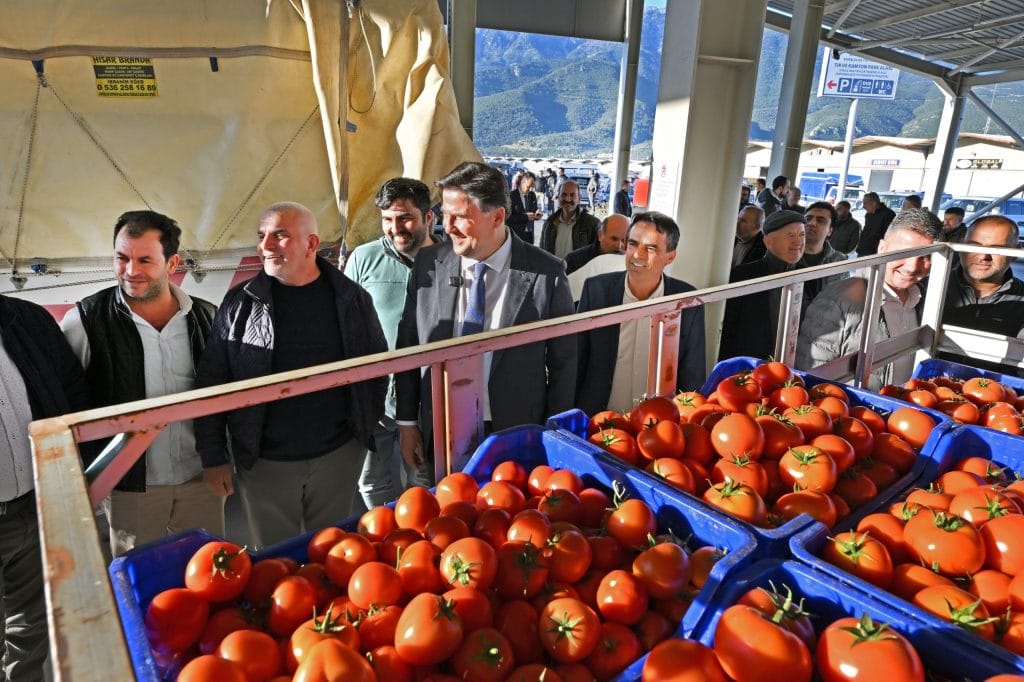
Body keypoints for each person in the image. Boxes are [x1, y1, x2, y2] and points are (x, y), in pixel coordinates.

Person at [195, 202, 387, 548]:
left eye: (280, 236)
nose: (266, 246)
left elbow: (376, 369)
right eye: (262, 236)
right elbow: (213, 380)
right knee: (274, 563)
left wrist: (360, 434)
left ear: (312, 244)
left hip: (338, 456)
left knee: (333, 558)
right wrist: (214, 456)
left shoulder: (351, 298)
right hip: (265, 463)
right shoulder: (240, 303)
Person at [395, 161, 577, 476]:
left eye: (461, 217)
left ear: (497, 217)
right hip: (440, 425)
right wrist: (408, 421)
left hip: (514, 431)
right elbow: (409, 345)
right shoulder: (428, 263)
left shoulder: (546, 273)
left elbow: (564, 362)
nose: (447, 227)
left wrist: (552, 436)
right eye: (444, 215)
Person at [61, 210, 223, 557]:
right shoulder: (85, 320)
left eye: (145, 260)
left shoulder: (207, 317)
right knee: (139, 587)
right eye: (122, 258)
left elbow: (224, 395)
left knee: (210, 579)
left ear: (173, 263)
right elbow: (66, 406)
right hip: (129, 488)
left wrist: (221, 460)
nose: (131, 271)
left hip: (201, 479)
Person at [0, 297, 89, 680]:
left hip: (34, 504)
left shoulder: (26, 319)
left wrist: (76, 473)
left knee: (32, 624)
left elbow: (72, 392)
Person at [344, 178, 437, 509]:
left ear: (429, 218)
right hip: (375, 400)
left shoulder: (449, 261)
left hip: (428, 401)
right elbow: (347, 325)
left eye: (404, 218)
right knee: (371, 481)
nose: (395, 228)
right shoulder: (363, 259)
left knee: (424, 483)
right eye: (387, 219)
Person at [575, 212, 706, 416]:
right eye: (633, 244)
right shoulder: (596, 290)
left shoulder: (687, 301)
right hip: (598, 419)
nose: (637, 254)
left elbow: (692, 373)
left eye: (651, 248)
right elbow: (578, 358)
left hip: (659, 427)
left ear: (670, 257)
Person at [797, 208, 942, 388]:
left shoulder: (929, 301)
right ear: (882, 248)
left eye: (925, 257)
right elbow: (811, 374)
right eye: (904, 253)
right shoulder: (840, 298)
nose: (913, 266)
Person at [719, 210, 806, 362]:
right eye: (791, 235)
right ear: (768, 241)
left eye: (802, 234)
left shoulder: (810, 276)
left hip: (795, 365)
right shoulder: (744, 276)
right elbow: (728, 330)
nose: (798, 241)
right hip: (749, 367)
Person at [942, 215, 1024, 372]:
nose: (983, 256)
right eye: (975, 246)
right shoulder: (929, 289)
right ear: (961, 247)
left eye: (997, 249)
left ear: (1015, 253)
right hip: (926, 389)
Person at [802, 201, 849, 303]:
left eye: (820, 220)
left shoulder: (839, 262)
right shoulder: (786, 254)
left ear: (830, 231)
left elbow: (840, 301)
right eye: (808, 219)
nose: (811, 223)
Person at [540, 180, 600, 259]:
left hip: (580, 271)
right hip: (553, 271)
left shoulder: (592, 224)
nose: (568, 199)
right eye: (564, 194)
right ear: (558, 197)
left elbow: (597, 257)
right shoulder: (549, 223)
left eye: (572, 195)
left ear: (579, 198)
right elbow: (541, 253)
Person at [855, 192, 896, 256]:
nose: (863, 206)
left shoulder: (888, 214)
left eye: (865, 203)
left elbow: (888, 235)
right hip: (863, 250)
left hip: (875, 253)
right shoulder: (868, 215)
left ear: (874, 203)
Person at [508, 171, 542, 244]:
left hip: (529, 235)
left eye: (532, 187)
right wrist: (526, 217)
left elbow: (534, 210)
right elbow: (507, 218)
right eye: (528, 187)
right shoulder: (511, 196)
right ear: (522, 183)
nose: (530, 190)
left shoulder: (532, 195)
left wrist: (537, 214)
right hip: (516, 237)